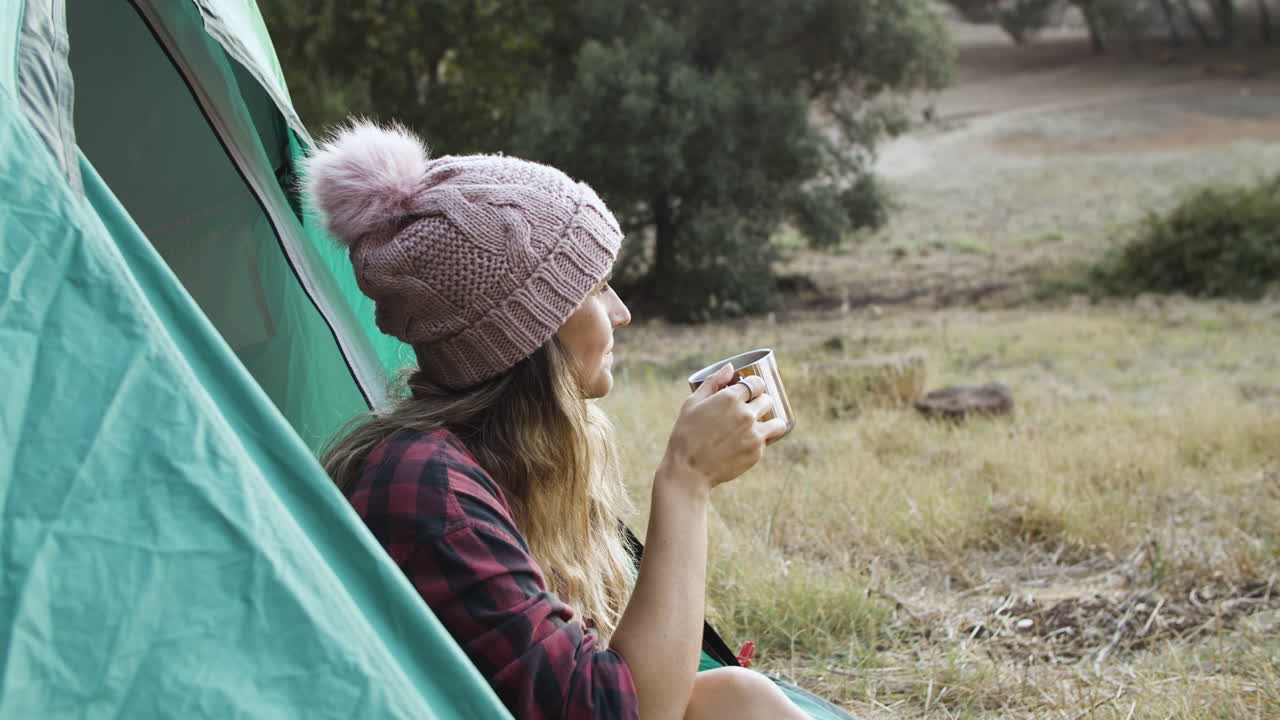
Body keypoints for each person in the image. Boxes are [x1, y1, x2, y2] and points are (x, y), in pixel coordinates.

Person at [304, 120, 808, 720]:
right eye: (595, 288)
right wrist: (686, 481)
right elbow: (612, 712)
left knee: (738, 698)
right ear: (527, 332)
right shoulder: (425, 490)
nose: (620, 313)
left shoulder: (507, 455)